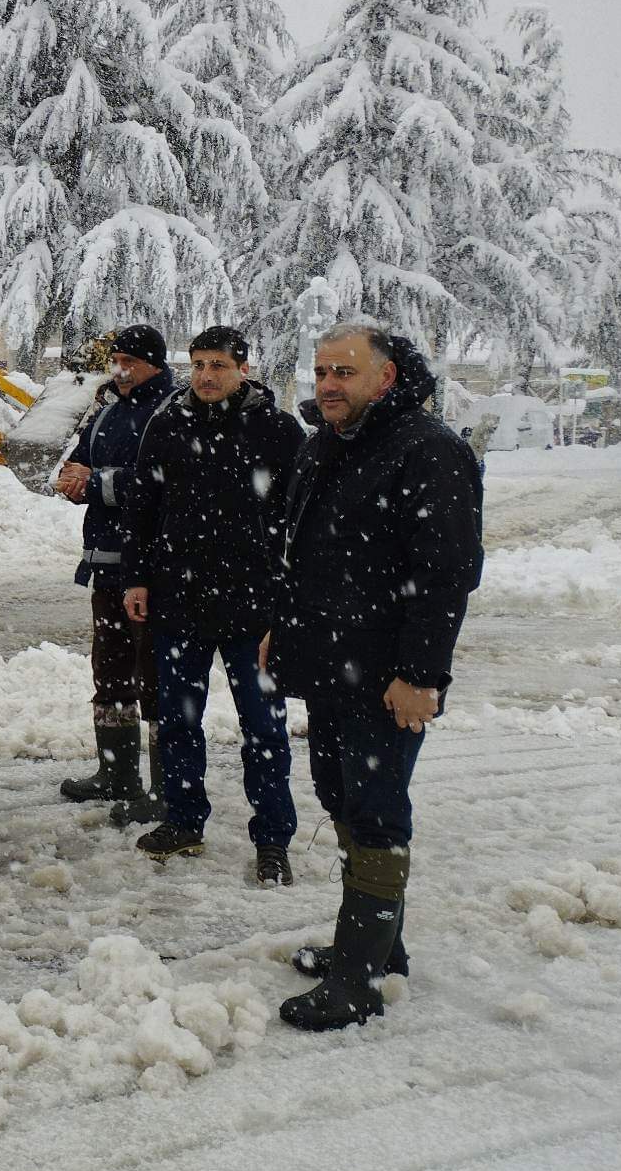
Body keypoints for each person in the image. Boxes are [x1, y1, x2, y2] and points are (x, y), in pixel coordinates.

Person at [264, 321, 483, 1031]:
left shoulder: (430, 452)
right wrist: (281, 628)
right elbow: (301, 550)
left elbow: (446, 575)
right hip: (328, 663)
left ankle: (357, 983)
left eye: (345, 373)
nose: (328, 384)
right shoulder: (330, 443)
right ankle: (378, 950)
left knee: (377, 811)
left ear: (384, 378)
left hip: (387, 675)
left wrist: (421, 673)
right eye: (322, 371)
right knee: (339, 792)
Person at [121, 326, 307, 883]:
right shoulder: (168, 425)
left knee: (264, 728)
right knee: (178, 722)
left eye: (219, 365)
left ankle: (273, 838)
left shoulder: (277, 431)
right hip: (180, 601)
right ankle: (183, 820)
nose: (205, 375)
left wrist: (288, 589)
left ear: (243, 369)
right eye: (198, 363)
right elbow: (142, 507)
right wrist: (137, 577)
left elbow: (301, 517)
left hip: (255, 607)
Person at [52, 324, 175, 822]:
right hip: (106, 561)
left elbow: (163, 481)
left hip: (153, 568)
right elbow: (79, 459)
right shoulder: (107, 408)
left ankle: (167, 789)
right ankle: (116, 773)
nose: (120, 369)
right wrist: (73, 477)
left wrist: (99, 481)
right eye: (116, 359)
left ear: (154, 363)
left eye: (130, 361)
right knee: (110, 670)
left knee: (156, 676)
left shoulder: (171, 411)